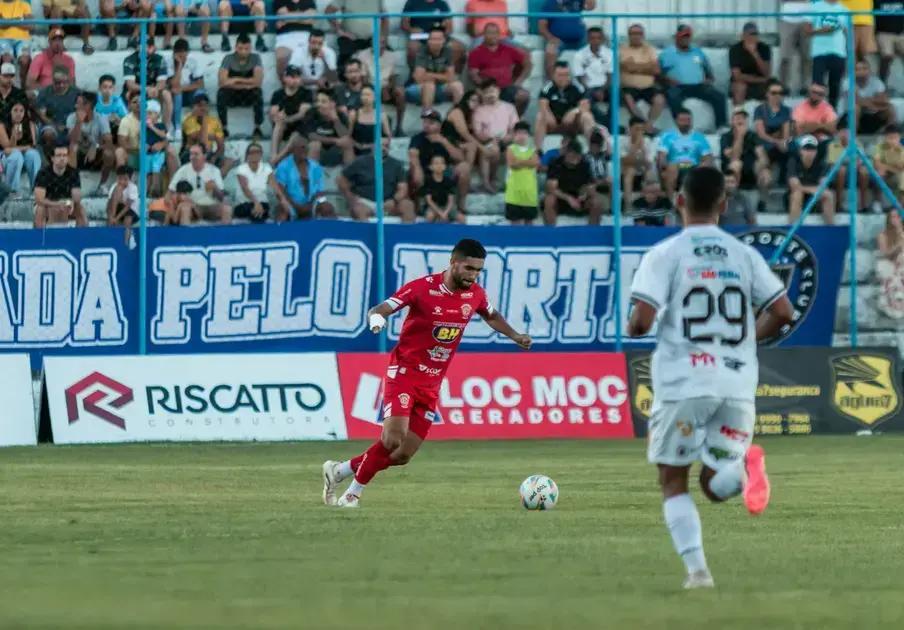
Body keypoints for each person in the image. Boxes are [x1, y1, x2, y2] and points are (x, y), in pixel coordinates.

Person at [630, 167, 793, 590]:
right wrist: (744, 343)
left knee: (673, 480)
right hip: (737, 384)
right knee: (712, 484)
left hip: (685, 381)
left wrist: (638, 322)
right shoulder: (745, 255)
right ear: (724, 204)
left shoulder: (665, 254)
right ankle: (743, 473)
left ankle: (698, 573)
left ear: (678, 201)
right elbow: (782, 312)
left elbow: (640, 322)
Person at [322, 239, 532, 508]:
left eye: (478, 271)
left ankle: (339, 471)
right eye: (469, 268)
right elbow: (380, 309)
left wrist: (515, 335)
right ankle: (352, 494)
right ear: (453, 262)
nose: (473, 276)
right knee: (391, 438)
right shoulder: (422, 288)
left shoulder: (475, 294)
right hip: (405, 374)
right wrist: (377, 320)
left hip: (432, 383)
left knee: (402, 455)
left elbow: (491, 315)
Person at [659, 24, 728, 130]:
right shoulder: (667, 53)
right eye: (683, 36)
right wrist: (667, 80)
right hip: (678, 86)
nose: (686, 39)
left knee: (719, 96)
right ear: (677, 36)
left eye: (688, 36)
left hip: (698, 85)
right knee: (672, 97)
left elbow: (708, 72)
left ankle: (721, 127)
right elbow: (659, 74)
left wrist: (708, 80)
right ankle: (682, 128)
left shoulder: (698, 52)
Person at [408, 109, 470, 215]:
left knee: (464, 167)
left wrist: (443, 142)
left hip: (444, 172)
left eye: (431, 123)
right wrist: (418, 170)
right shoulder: (417, 138)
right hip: (426, 172)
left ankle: (461, 204)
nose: (427, 125)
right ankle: (417, 206)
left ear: (439, 125)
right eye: (425, 122)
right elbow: (413, 155)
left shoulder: (447, 137)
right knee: (413, 171)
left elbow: (460, 158)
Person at [337, 139, 414, 222]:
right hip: (365, 202)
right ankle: (366, 234)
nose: (384, 148)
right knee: (358, 209)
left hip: (388, 202)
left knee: (408, 205)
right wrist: (351, 197)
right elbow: (341, 180)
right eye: (381, 145)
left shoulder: (397, 165)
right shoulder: (360, 162)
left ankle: (405, 233)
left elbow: (403, 188)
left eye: (386, 146)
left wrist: (394, 200)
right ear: (373, 147)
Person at [467, 23, 531, 116]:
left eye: (495, 33)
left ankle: (514, 121)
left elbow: (527, 64)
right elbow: (474, 74)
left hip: (507, 87)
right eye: (490, 33)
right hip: (487, 88)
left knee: (523, 96)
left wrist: (519, 81)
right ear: (484, 34)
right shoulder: (476, 53)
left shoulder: (508, 50)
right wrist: (486, 87)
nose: (493, 36)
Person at [534, 61, 594, 153]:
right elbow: (543, 106)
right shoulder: (547, 88)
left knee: (587, 116)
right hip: (554, 123)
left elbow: (585, 106)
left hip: (572, 124)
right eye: (560, 75)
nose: (564, 78)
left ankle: (593, 150)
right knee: (540, 116)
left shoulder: (577, 87)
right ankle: (538, 151)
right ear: (553, 75)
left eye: (566, 74)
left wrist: (575, 111)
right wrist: (550, 118)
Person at [472, 78, 518, 193]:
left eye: (492, 91)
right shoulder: (478, 111)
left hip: (506, 141)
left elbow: (515, 128)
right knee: (492, 149)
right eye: (486, 92)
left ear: (498, 91)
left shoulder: (509, 107)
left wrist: (508, 137)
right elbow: (477, 133)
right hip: (487, 142)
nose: (490, 94)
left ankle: (509, 183)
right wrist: (491, 139)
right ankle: (487, 182)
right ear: (482, 94)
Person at [167, 143, 233, 224]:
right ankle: (186, 236)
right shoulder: (182, 170)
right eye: (191, 154)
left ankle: (225, 236)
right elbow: (170, 194)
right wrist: (180, 197)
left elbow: (221, 197)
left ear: (204, 156)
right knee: (185, 208)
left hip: (211, 205)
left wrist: (215, 188)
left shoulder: (214, 170)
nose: (193, 157)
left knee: (227, 209)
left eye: (196, 154)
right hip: (193, 206)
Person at [355, 34, 406, 137]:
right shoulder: (362, 55)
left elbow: (393, 77)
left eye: (382, 43)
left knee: (400, 92)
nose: (380, 45)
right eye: (377, 43)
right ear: (371, 44)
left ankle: (399, 127)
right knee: (366, 92)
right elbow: (364, 80)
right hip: (370, 87)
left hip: (386, 88)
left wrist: (387, 88)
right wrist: (376, 90)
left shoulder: (391, 56)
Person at [544, 139, 604, 225]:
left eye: (577, 156)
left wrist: (584, 194)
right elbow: (551, 188)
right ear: (566, 153)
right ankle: (551, 232)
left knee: (596, 202)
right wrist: (568, 198)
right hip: (561, 199)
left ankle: (592, 231)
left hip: (579, 199)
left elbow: (590, 185)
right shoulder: (556, 163)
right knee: (549, 200)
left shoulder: (585, 164)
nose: (575, 159)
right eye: (572, 156)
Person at [274, 137, 335, 220]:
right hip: (291, 203)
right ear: (293, 149)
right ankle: (281, 232)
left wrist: (309, 205)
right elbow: (280, 190)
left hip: (312, 203)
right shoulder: (283, 166)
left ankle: (331, 232)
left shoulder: (315, 167)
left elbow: (320, 191)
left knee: (327, 208)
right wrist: (296, 206)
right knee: (282, 209)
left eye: (306, 147)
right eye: (301, 147)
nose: (305, 150)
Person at [67, 91, 116, 195]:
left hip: (95, 157)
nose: (76, 106)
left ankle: (102, 185)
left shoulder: (101, 118)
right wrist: (79, 122)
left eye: (79, 103)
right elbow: (72, 139)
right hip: (78, 155)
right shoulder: (71, 118)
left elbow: (109, 142)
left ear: (89, 105)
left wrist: (95, 146)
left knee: (109, 153)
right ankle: (72, 184)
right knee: (73, 146)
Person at [657, 108, 714, 197]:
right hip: (675, 167)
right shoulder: (668, 136)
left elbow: (708, 157)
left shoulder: (699, 137)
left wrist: (703, 165)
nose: (686, 123)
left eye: (688, 120)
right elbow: (661, 157)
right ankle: (671, 203)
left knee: (704, 167)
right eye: (682, 120)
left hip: (693, 167)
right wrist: (663, 169)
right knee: (672, 166)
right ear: (676, 121)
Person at [217, 33, 265, 139]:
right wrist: (246, 84)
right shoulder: (228, 58)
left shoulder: (255, 58)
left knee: (258, 92)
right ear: (235, 47)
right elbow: (222, 82)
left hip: (248, 95)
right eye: (240, 48)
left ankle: (257, 127)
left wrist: (234, 80)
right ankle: (224, 127)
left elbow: (258, 81)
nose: (243, 51)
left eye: (246, 48)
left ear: (250, 48)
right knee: (221, 93)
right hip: (233, 95)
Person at [620, 23, 665, 133]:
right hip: (629, 87)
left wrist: (636, 67)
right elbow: (627, 67)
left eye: (639, 33)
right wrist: (647, 67)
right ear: (629, 35)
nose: (636, 36)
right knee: (628, 99)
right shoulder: (623, 49)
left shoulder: (650, 49)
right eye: (633, 33)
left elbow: (656, 70)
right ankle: (646, 126)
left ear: (643, 35)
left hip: (648, 87)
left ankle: (648, 125)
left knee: (660, 100)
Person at [805, 0, 850, 109]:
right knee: (817, 86)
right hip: (819, 52)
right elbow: (807, 30)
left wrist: (848, 52)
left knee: (835, 86)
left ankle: (832, 116)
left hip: (839, 52)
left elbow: (847, 32)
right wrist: (822, 30)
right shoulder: (814, 7)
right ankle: (815, 114)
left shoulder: (845, 9)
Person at [122, 38, 173, 133]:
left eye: (150, 46)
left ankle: (166, 129)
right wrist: (147, 89)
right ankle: (133, 129)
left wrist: (155, 89)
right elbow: (130, 84)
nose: (147, 49)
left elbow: (162, 82)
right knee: (129, 95)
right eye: (144, 46)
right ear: (138, 47)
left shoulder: (159, 59)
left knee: (167, 94)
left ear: (153, 47)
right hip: (136, 90)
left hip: (153, 90)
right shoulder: (130, 59)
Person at [407, 28, 465, 109]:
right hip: (419, 89)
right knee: (429, 85)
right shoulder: (422, 51)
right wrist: (443, 76)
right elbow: (418, 78)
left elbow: (451, 78)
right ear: (428, 41)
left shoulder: (447, 51)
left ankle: (456, 114)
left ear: (444, 41)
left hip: (440, 87)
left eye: (439, 39)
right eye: (433, 39)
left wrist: (429, 75)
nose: (436, 42)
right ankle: (427, 115)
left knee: (457, 85)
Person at [753, 80, 792, 198]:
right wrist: (777, 140)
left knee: (790, 151)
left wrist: (782, 141)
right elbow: (761, 133)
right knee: (762, 164)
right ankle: (763, 197)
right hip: (764, 144)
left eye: (780, 93)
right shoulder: (760, 109)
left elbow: (786, 133)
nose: (777, 95)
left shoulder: (786, 110)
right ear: (767, 94)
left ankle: (788, 189)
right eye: (774, 92)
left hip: (778, 145)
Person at [400, 0, 464, 72]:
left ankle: (450, 77)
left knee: (458, 48)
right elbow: (404, 25)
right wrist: (412, 29)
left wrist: (444, 31)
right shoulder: (412, 2)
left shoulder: (442, 3)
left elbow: (449, 27)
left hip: (438, 36)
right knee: (413, 48)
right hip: (420, 36)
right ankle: (415, 76)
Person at [34, 142, 86, 228]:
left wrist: (72, 202)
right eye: (58, 155)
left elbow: (76, 196)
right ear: (52, 158)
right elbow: (39, 199)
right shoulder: (43, 173)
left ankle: (80, 237)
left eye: (64, 155)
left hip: (66, 203)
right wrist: (56, 204)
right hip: (47, 204)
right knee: (40, 209)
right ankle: (39, 238)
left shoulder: (73, 173)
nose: (62, 158)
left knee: (80, 209)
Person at [539, 0, 595, 78]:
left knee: (594, 50)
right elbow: (542, 27)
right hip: (559, 40)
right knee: (550, 51)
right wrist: (551, 38)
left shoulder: (578, 1)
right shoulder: (550, 3)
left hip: (580, 40)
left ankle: (589, 84)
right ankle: (553, 83)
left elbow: (590, 7)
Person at [720, 110, 769, 199]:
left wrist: (761, 165)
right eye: (737, 118)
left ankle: (762, 201)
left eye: (743, 118)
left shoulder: (753, 136)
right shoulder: (726, 137)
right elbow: (734, 157)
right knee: (737, 164)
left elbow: (762, 157)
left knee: (766, 173)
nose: (740, 121)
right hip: (731, 171)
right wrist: (740, 136)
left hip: (751, 169)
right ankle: (733, 199)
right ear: (732, 121)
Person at [788, 134, 836, 224]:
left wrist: (810, 189)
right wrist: (813, 190)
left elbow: (823, 185)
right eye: (806, 149)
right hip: (797, 197)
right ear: (800, 151)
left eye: (812, 149)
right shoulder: (793, 162)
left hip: (815, 198)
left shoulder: (821, 164)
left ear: (816, 151)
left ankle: (831, 228)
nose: (809, 152)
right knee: (797, 194)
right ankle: (792, 228)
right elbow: (794, 186)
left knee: (828, 194)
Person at [571, 26, 613, 124]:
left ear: (602, 39)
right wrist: (591, 90)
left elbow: (610, 75)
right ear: (588, 39)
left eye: (598, 38)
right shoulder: (579, 55)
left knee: (615, 94)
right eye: (592, 38)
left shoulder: (609, 53)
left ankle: (608, 122)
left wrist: (602, 90)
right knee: (586, 99)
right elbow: (579, 76)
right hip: (587, 87)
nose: (595, 41)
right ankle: (606, 123)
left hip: (604, 87)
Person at [301, 88, 353, 166]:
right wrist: (334, 140)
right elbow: (311, 136)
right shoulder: (311, 113)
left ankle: (350, 174)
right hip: (315, 150)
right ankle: (311, 175)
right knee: (315, 144)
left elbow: (345, 136)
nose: (319, 104)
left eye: (323, 102)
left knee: (347, 142)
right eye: (318, 101)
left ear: (333, 104)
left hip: (335, 150)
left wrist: (335, 120)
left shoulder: (340, 115)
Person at [325, 0, 385, 69]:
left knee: (386, 51)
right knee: (346, 55)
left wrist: (382, 36)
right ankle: (344, 77)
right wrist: (339, 31)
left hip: (371, 39)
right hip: (350, 39)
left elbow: (385, 17)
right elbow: (328, 11)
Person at [180, 93, 231, 173]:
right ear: (193, 107)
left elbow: (221, 147)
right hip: (190, 154)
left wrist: (214, 157)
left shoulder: (215, 121)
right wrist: (204, 119)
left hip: (208, 154)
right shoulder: (189, 121)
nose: (203, 108)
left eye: (205, 105)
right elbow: (202, 142)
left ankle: (214, 181)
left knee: (228, 161)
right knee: (201, 157)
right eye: (199, 105)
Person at [845, 59, 897, 134]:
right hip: (850, 116)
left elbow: (883, 100)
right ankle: (852, 136)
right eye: (858, 69)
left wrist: (867, 102)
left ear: (869, 70)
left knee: (890, 108)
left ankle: (890, 134)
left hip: (872, 114)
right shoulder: (848, 82)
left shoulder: (876, 81)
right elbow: (856, 100)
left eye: (864, 69)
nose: (861, 72)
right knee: (856, 108)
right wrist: (873, 102)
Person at [827, 125, 871, 211]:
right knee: (841, 170)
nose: (844, 134)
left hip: (854, 172)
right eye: (842, 132)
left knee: (864, 171)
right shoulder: (833, 145)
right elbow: (833, 165)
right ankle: (838, 204)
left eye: (847, 132)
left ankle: (864, 205)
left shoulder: (857, 144)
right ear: (838, 133)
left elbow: (860, 162)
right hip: (838, 174)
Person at [0, 101, 41, 195]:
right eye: (15, 110)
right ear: (9, 112)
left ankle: (36, 190)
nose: (18, 114)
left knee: (34, 155)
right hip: (4, 157)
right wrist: (14, 136)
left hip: (23, 154)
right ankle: (12, 191)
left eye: (21, 111)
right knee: (16, 156)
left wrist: (23, 148)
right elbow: (7, 149)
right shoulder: (2, 126)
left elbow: (32, 146)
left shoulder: (30, 125)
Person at [36, 68, 79, 156]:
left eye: (65, 82)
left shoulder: (77, 93)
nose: (61, 85)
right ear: (52, 81)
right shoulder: (45, 92)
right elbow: (42, 115)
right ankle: (50, 159)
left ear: (69, 81)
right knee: (48, 134)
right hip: (51, 124)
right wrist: (55, 125)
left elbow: (81, 111)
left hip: (72, 125)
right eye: (57, 82)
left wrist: (70, 126)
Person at [288, 29, 338, 103]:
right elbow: (292, 76)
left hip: (322, 88)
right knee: (292, 82)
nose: (316, 46)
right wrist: (316, 81)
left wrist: (324, 60)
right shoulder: (299, 52)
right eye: (313, 43)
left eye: (319, 43)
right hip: (303, 87)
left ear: (323, 43)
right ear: (308, 42)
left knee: (333, 84)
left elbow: (333, 77)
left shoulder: (329, 53)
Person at [729, 22, 773, 105]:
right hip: (744, 82)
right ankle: (738, 115)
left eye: (755, 34)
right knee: (740, 87)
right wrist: (760, 80)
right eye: (750, 34)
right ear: (743, 36)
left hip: (760, 83)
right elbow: (737, 76)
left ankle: (770, 116)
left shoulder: (764, 48)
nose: (753, 37)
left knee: (774, 89)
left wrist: (755, 54)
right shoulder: (735, 49)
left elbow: (766, 73)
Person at [504, 121, 539, 224]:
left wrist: (519, 161)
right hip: (513, 195)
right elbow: (512, 164)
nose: (521, 136)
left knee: (529, 227)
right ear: (514, 135)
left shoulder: (533, 150)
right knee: (515, 226)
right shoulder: (510, 149)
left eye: (524, 133)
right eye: (519, 133)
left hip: (530, 195)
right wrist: (528, 162)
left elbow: (535, 163)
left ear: (528, 135)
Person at [270, 66, 308, 159]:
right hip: (283, 124)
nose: (294, 80)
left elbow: (302, 114)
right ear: (284, 78)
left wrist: (286, 119)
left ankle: (278, 158)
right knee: (279, 124)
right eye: (291, 77)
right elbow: (273, 112)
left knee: (295, 134)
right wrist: (276, 116)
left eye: (297, 77)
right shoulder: (278, 94)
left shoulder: (306, 93)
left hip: (300, 125)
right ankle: (273, 154)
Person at [168, 38, 206, 131]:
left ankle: (201, 125)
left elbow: (200, 84)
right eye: (178, 52)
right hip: (175, 96)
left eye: (184, 51)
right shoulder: (169, 63)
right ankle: (177, 127)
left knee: (200, 93)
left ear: (188, 52)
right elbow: (173, 85)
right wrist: (180, 65)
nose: (181, 54)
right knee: (177, 94)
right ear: (174, 53)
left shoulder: (193, 62)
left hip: (189, 93)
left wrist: (182, 89)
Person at [274, 0, 317, 77]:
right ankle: (285, 86)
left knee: (318, 54)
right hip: (285, 36)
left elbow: (311, 19)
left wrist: (288, 19)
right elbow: (283, 15)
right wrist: (303, 16)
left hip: (307, 35)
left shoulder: (310, 1)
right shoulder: (279, 1)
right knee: (282, 58)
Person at [234, 142, 275, 223]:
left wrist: (283, 200)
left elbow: (274, 186)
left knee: (259, 211)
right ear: (247, 155)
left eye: (257, 152)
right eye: (252, 152)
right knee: (254, 211)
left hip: (263, 203)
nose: (254, 154)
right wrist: (256, 203)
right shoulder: (241, 169)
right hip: (244, 204)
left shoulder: (267, 168)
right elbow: (245, 188)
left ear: (261, 154)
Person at [348, 84, 392, 158]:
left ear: (375, 97)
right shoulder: (354, 114)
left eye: (368, 95)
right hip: (358, 150)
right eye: (363, 95)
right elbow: (348, 136)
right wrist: (358, 145)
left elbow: (388, 137)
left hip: (376, 150)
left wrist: (379, 144)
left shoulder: (381, 115)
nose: (365, 97)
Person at [622, 116, 655, 209]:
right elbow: (625, 161)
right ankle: (628, 207)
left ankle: (649, 207)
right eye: (637, 129)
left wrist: (643, 149)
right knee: (630, 170)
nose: (640, 133)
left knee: (649, 173)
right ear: (630, 129)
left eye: (642, 130)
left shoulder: (648, 141)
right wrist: (636, 144)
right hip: (625, 174)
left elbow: (648, 164)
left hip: (643, 172)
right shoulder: (622, 141)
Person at [779, 0, 812, 92]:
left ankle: (805, 86)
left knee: (806, 56)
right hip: (787, 19)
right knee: (785, 56)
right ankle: (783, 86)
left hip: (807, 19)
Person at [876, 209, 904, 319]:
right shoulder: (882, 235)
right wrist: (898, 245)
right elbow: (885, 253)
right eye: (893, 217)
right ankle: (893, 304)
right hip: (888, 262)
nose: (896, 219)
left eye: (898, 216)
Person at [143, 99, 172, 196]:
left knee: (155, 168)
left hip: (158, 153)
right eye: (147, 113)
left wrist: (152, 127)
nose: (148, 115)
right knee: (147, 170)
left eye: (151, 113)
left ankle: (155, 189)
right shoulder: (144, 127)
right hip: (148, 153)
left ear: (158, 115)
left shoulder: (160, 125)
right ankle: (146, 190)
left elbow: (163, 135)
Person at [0, 0, 33, 85]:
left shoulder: (24, 5)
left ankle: (23, 89)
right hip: (3, 38)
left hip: (22, 39)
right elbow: (1, 25)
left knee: (25, 60)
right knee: (6, 60)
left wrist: (7, 21)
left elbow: (30, 25)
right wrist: (17, 20)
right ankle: (8, 90)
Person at [872, 125, 904, 207]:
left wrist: (885, 166)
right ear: (885, 138)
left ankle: (899, 205)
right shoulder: (879, 147)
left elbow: (901, 168)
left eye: (895, 138)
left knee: (902, 177)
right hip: (884, 175)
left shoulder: (902, 150)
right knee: (879, 173)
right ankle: (877, 203)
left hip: (896, 176)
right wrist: (893, 167)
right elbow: (876, 164)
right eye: (890, 138)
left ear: (899, 138)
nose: (893, 140)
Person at [422, 154, 459, 223]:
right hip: (432, 207)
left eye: (442, 163)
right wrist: (440, 213)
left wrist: (445, 212)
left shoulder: (449, 181)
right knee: (430, 216)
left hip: (446, 206)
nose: (439, 165)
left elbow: (451, 201)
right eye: (436, 163)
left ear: (445, 167)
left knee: (461, 218)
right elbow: (429, 200)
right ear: (431, 167)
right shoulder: (427, 181)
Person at [875, 0, 904, 86]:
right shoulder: (877, 1)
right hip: (883, 33)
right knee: (887, 55)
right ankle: (881, 83)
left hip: (901, 33)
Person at [106, 165, 139, 231]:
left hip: (130, 211)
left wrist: (116, 218)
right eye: (120, 178)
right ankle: (109, 237)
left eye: (125, 179)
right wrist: (111, 216)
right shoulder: (114, 186)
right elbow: (109, 202)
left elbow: (128, 206)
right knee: (110, 219)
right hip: (116, 209)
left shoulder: (133, 187)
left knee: (128, 219)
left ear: (130, 179)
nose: (122, 182)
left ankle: (126, 240)